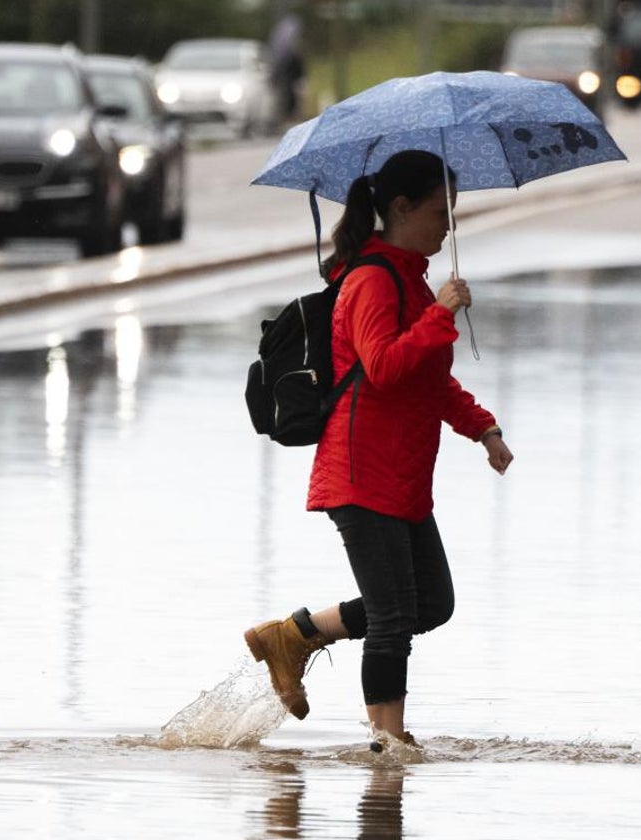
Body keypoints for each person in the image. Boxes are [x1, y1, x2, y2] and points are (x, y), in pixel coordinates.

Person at [244, 149, 514, 749]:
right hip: (363, 470)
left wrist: (484, 429)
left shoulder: (410, 281)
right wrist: (441, 315)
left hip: (404, 474)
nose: (448, 224)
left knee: (431, 603)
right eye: (440, 210)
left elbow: (430, 380)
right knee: (393, 617)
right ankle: (387, 743)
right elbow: (387, 367)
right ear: (401, 207)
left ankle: (295, 635)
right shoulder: (370, 279)